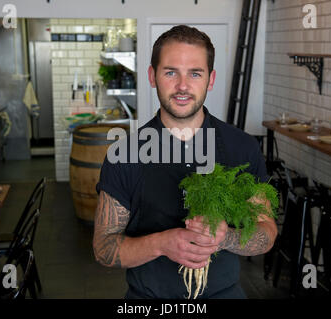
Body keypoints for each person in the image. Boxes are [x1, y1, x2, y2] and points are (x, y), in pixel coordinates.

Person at [93, 25, 278, 299]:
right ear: (152, 76)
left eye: (195, 73)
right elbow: (103, 248)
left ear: (210, 79)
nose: (182, 86)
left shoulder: (243, 148)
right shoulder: (125, 155)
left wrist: (224, 238)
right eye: (170, 72)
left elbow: (266, 233)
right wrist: (162, 244)